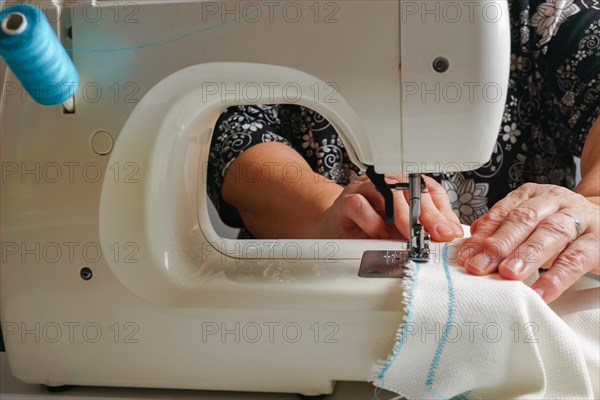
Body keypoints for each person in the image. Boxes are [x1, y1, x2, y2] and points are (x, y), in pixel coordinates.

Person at [208, 0, 599, 303]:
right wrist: (328, 214)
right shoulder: (264, 16)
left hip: (519, 302)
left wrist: (592, 206)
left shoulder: (548, 14)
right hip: (287, 312)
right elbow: (236, 136)